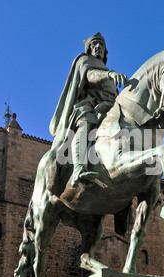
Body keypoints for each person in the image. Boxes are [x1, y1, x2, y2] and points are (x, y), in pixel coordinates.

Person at [49, 32, 127, 187]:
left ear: (105, 51)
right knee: (85, 125)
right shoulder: (85, 60)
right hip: (88, 107)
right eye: (94, 44)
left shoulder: (107, 70)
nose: (98, 47)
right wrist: (109, 74)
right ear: (89, 48)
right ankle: (79, 168)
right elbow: (90, 76)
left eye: (101, 45)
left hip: (109, 109)